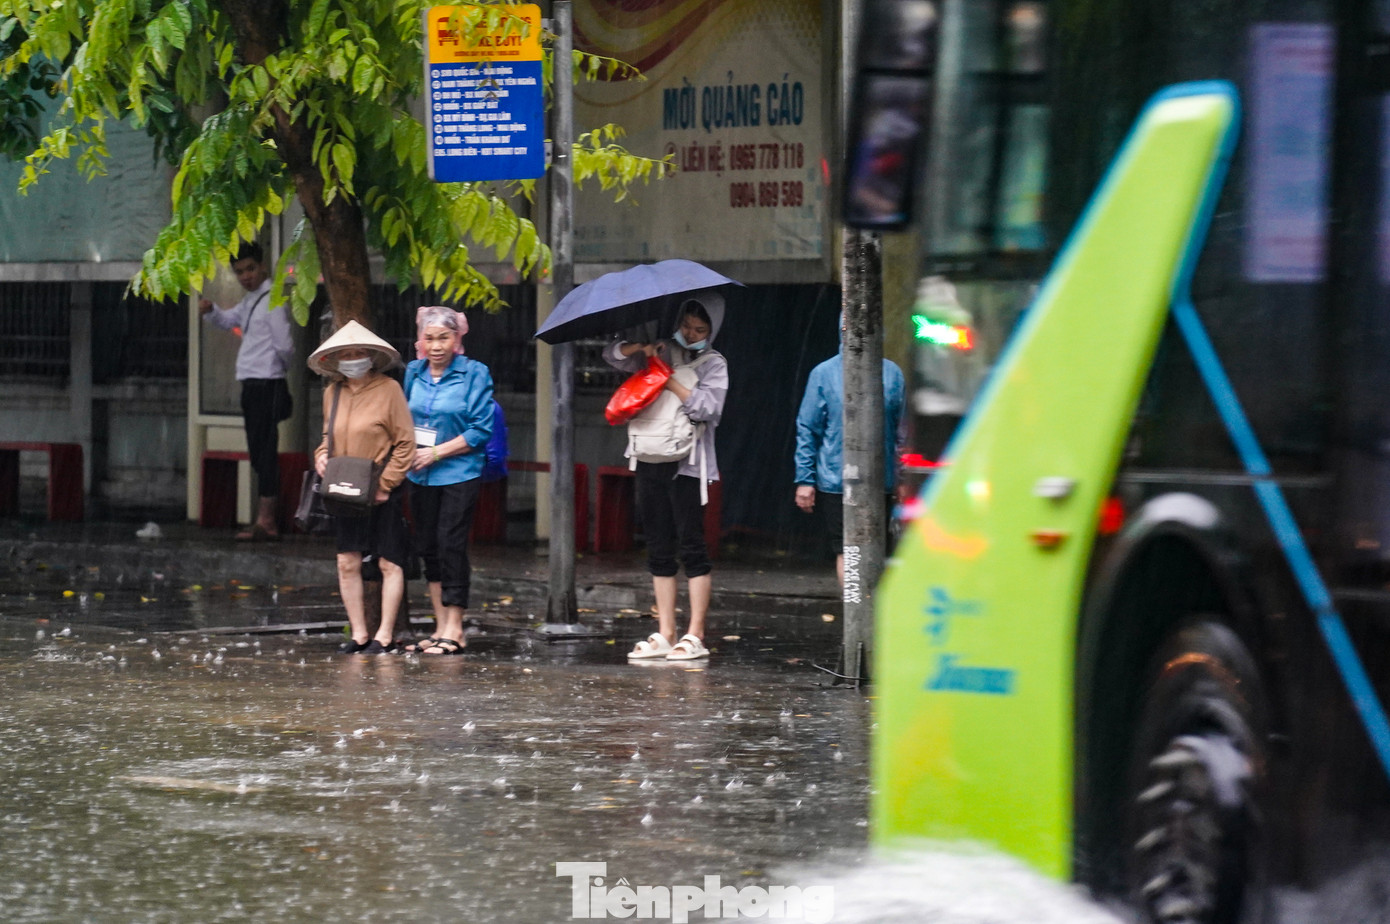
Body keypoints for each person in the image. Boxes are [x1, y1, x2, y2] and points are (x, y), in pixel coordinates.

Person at [603, 295, 729, 662]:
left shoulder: (714, 363)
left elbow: (709, 408)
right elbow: (611, 356)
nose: (690, 333)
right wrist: (642, 349)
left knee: (692, 545)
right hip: (647, 456)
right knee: (657, 545)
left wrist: (669, 380)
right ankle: (665, 632)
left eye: (700, 329)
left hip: (688, 463)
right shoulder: (659, 349)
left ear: (712, 331)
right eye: (686, 325)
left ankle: (695, 633)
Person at [308, 321, 415, 655]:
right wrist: (322, 456)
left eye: (359, 353)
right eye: (347, 354)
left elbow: (405, 444)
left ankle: (384, 635)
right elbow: (327, 437)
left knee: (389, 561)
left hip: (382, 486)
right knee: (347, 561)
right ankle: (359, 634)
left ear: (371, 356)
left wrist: (386, 484)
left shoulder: (389, 390)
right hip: (344, 488)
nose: (353, 358)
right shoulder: (332, 393)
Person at [402, 306, 495, 655]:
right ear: (420, 341)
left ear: (457, 339)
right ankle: (439, 625)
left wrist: (437, 452)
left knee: (450, 543)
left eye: (444, 337)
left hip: (458, 471)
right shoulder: (413, 372)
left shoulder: (474, 373)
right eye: (430, 338)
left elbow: (480, 430)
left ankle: (455, 627)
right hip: (420, 473)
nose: (436, 346)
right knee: (428, 545)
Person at [793, 319, 906, 585]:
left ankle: (872, 618)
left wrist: (901, 478)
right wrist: (805, 479)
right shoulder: (824, 373)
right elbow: (808, 428)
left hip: (882, 480)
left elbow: (901, 431)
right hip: (837, 479)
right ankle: (853, 615)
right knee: (847, 550)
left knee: (880, 550)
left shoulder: (892, 373)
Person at [199, 242, 295, 541]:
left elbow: (286, 346)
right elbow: (229, 320)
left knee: (264, 451)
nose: (245, 276)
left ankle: (267, 521)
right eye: (239, 271)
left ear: (262, 266)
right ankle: (264, 519)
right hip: (254, 383)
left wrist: (275, 370)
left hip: (267, 382)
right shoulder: (253, 299)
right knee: (259, 451)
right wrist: (211, 310)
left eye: (250, 269)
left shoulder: (273, 298)